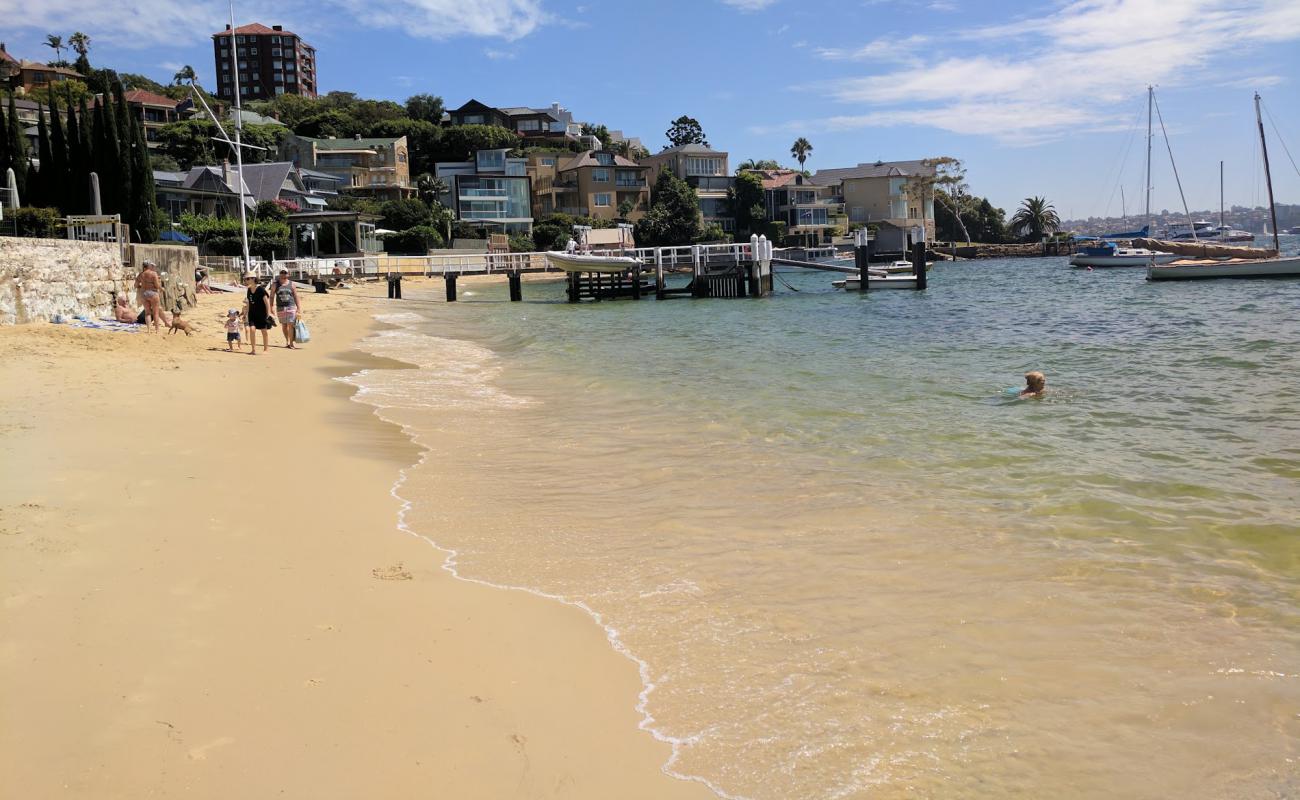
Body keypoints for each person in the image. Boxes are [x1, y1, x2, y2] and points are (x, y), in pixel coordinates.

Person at [271, 270, 302, 349]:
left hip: (291, 307)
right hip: (280, 308)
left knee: (291, 325)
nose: (283, 274)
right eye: (282, 272)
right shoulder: (275, 284)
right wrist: (271, 306)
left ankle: (291, 343)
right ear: (279, 274)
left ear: (288, 274)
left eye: (285, 273)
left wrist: (298, 308)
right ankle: (287, 341)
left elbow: (296, 296)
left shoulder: (292, 284)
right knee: (284, 326)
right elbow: (271, 296)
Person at [243, 274, 274, 355]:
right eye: (245, 279)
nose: (246, 280)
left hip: (262, 314)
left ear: (253, 279)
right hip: (252, 314)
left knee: (264, 331)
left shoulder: (261, 289)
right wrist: (245, 313)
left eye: (247, 279)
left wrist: (268, 314)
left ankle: (266, 349)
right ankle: (253, 350)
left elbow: (266, 303)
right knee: (252, 329)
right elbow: (249, 302)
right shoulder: (249, 290)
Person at [135, 260, 164, 333]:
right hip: (153, 293)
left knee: (147, 312)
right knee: (156, 312)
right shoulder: (153, 274)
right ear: (149, 266)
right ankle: (157, 330)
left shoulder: (141, 274)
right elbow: (157, 285)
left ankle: (148, 330)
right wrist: (162, 289)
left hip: (144, 294)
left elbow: (136, 285)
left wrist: (141, 286)